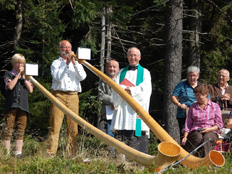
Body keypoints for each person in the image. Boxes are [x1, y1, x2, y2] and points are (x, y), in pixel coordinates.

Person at [46, 40, 87, 158]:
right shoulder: (56, 63)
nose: (67, 50)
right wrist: (67, 64)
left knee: (73, 127)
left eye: (69, 47)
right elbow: (58, 77)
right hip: (58, 95)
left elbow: (83, 77)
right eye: (64, 47)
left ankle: (72, 154)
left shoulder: (77, 63)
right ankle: (51, 153)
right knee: (55, 125)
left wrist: (74, 63)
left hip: (73, 96)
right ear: (59, 49)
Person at [110, 47, 152, 154]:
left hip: (137, 111)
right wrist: (125, 90)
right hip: (123, 110)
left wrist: (131, 91)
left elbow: (146, 90)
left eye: (135, 55)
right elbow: (115, 88)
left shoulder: (145, 73)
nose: (132, 57)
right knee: (122, 141)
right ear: (127, 57)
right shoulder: (121, 73)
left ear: (139, 57)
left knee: (137, 141)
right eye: (130, 55)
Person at [3, 53, 33, 158]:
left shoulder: (26, 77)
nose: (20, 65)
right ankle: (5, 153)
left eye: (22, 63)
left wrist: (24, 78)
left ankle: (18, 153)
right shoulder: (8, 74)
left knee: (21, 129)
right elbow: (10, 86)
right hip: (11, 105)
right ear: (13, 64)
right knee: (8, 128)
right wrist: (17, 76)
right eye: (18, 63)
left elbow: (31, 90)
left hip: (23, 106)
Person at [181, 84, 223, 157]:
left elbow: (219, 124)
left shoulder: (215, 106)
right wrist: (185, 137)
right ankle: (187, 158)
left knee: (207, 137)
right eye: (195, 96)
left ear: (206, 94)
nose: (197, 98)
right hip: (196, 130)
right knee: (197, 137)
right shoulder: (193, 107)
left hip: (211, 130)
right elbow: (188, 124)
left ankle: (206, 161)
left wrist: (210, 129)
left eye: (199, 95)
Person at [171, 66, 200, 140]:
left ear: (198, 76)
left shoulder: (201, 86)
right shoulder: (181, 85)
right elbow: (173, 97)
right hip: (184, 114)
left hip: (198, 116)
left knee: (196, 136)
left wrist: (199, 102)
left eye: (194, 75)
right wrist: (180, 104)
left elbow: (207, 99)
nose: (192, 77)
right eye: (190, 75)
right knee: (184, 135)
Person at [98, 60, 120, 137]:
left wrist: (116, 103)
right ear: (106, 68)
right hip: (106, 114)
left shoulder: (122, 80)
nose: (112, 69)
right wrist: (113, 102)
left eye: (114, 67)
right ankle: (109, 149)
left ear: (118, 69)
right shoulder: (103, 80)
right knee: (105, 137)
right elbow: (101, 96)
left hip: (120, 114)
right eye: (110, 67)